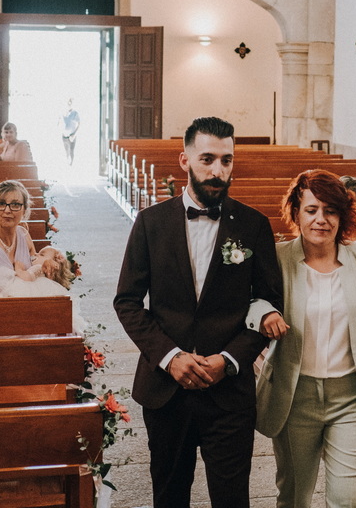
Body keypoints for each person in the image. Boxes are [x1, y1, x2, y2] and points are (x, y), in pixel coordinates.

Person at [114, 116, 283, 508]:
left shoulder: (254, 225)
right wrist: (170, 357)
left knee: (232, 500)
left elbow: (269, 303)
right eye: (207, 159)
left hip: (229, 393)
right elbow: (127, 301)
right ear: (185, 160)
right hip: (166, 390)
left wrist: (230, 359)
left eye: (226, 160)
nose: (217, 170)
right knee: (169, 497)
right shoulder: (151, 223)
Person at [248, 170, 356, 508]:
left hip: (352, 398)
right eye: (312, 210)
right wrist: (265, 313)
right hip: (295, 396)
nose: (321, 219)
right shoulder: (278, 258)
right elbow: (252, 300)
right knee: (294, 498)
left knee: (348, 501)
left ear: (343, 216)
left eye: (331, 211)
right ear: (296, 213)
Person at [61, 99, 81, 165]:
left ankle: (71, 164)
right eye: (68, 103)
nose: (69, 105)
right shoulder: (63, 113)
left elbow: (79, 124)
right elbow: (59, 123)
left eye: (70, 103)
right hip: (64, 136)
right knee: (66, 151)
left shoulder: (75, 113)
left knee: (71, 151)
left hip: (72, 136)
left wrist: (74, 135)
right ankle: (66, 163)